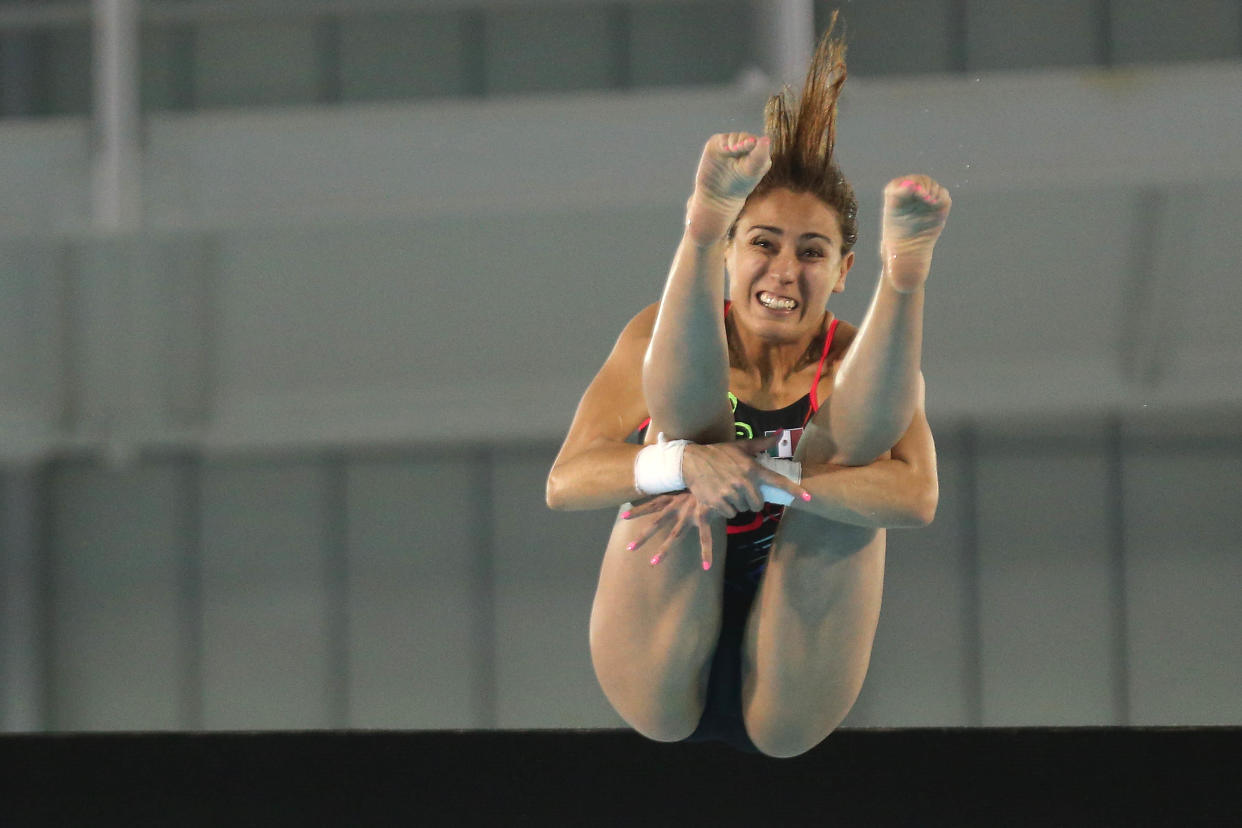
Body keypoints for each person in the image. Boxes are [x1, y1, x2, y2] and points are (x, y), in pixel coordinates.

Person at [546, 16, 948, 758]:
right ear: (733, 251)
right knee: (683, 443)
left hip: (799, 662)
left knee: (852, 451)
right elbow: (565, 483)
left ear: (843, 271)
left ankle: (907, 282)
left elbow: (917, 497)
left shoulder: (863, 366)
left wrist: (771, 478)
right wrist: (684, 466)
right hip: (656, 648)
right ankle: (693, 233)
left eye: (812, 253)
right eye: (761, 243)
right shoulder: (652, 339)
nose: (784, 274)